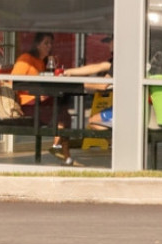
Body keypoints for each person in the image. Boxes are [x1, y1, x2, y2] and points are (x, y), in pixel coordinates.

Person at [10, 32, 112, 165]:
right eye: (46, 43)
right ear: (37, 45)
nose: (49, 46)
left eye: (51, 43)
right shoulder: (26, 59)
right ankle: (62, 152)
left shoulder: (43, 62)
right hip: (29, 104)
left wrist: (66, 75)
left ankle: (61, 151)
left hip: (42, 101)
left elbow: (99, 67)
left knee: (63, 111)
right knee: (62, 113)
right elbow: (12, 82)